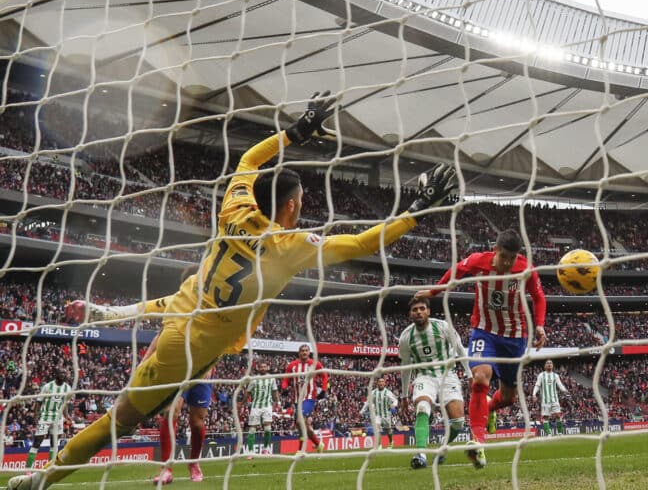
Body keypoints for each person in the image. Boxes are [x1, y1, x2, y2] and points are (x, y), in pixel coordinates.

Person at [7, 91, 458, 490]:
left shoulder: (234, 206)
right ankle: (42, 481)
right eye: (301, 202)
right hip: (190, 346)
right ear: (291, 205)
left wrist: (294, 133)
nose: (302, 209)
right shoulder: (290, 246)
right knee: (120, 421)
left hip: (183, 317)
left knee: (128, 412)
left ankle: (47, 474)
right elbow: (363, 242)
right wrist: (415, 210)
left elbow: (247, 163)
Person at [69, 265, 214, 486]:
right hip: (177, 368)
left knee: (196, 422)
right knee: (168, 413)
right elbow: (162, 334)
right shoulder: (177, 306)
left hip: (202, 371)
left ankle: (194, 463)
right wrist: (144, 361)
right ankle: (166, 468)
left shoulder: (214, 307)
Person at [415, 229, 547, 469]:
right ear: (495, 250)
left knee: (508, 398)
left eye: (512, 258)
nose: (508, 262)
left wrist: (539, 326)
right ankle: (478, 443)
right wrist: (435, 292)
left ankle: (488, 407)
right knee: (479, 378)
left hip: (515, 338)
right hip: (484, 332)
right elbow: (456, 272)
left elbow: (538, 297)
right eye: (504, 256)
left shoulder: (525, 269)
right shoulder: (479, 261)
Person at [397, 295, 470, 469]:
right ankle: (420, 454)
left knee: (458, 422)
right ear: (410, 314)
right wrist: (404, 395)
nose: (419, 312)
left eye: (422, 308)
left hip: (447, 374)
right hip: (424, 376)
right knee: (422, 407)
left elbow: (459, 348)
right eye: (415, 310)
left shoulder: (443, 327)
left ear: (428, 311)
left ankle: (442, 448)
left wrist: (469, 374)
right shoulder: (406, 337)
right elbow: (406, 366)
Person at [282, 345, 329, 453]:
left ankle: (301, 450)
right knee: (302, 425)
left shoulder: (316, 364)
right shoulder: (292, 366)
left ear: (309, 352)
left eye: (306, 351)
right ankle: (318, 444)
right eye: (302, 351)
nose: (304, 353)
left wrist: (324, 390)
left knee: (299, 421)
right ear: (299, 353)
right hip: (297, 399)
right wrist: (284, 388)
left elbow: (324, 376)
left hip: (309, 397)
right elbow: (285, 379)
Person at [25, 370, 72, 469]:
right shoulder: (47, 387)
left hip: (58, 418)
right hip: (45, 416)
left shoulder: (67, 388)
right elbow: (38, 402)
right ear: (56, 375)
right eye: (61, 374)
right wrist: (36, 416)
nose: (63, 376)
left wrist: (67, 416)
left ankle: (50, 467)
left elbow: (65, 404)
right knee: (37, 442)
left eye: (64, 374)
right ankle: (28, 469)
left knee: (54, 444)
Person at [241, 361, 279, 459]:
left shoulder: (271, 379)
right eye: (261, 367)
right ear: (258, 368)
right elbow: (247, 392)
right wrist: (242, 403)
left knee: (268, 429)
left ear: (267, 367)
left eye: (264, 366)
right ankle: (250, 452)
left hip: (267, 406)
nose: (263, 368)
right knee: (252, 429)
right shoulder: (253, 379)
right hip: (256, 406)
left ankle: (265, 449)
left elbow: (274, 392)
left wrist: (277, 402)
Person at [532, 360, 568, 437]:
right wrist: (534, 394)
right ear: (544, 366)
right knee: (545, 417)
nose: (549, 364)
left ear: (553, 366)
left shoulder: (555, 375)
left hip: (554, 400)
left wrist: (565, 391)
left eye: (551, 363)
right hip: (545, 401)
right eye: (547, 363)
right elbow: (537, 385)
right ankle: (548, 434)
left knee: (558, 415)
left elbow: (560, 385)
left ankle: (560, 433)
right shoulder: (541, 375)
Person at [359, 377, 398, 449]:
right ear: (377, 383)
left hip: (386, 415)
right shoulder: (373, 392)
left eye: (382, 381)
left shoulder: (388, 392)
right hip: (377, 415)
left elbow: (395, 400)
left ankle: (391, 442)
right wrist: (362, 411)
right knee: (377, 429)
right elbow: (368, 402)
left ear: (384, 383)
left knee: (388, 430)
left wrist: (394, 405)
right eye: (380, 382)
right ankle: (379, 445)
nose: (381, 383)